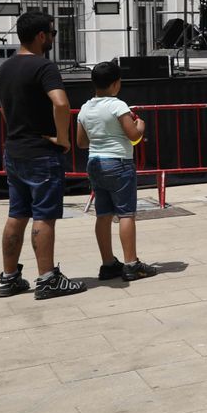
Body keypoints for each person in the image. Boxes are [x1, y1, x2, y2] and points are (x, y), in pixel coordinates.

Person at [0, 12, 83, 299]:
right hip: (41, 153)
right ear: (42, 36)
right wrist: (63, 137)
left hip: (15, 149)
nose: (54, 38)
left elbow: (5, 110)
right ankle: (47, 279)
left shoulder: (5, 68)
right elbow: (61, 103)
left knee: (16, 215)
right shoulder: (44, 67)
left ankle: (9, 278)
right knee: (44, 216)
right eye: (53, 33)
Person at [74, 61, 156, 282]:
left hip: (95, 163)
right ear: (116, 84)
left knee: (103, 214)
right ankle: (131, 264)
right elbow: (134, 136)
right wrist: (141, 125)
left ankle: (108, 263)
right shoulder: (118, 105)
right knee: (126, 213)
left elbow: (81, 142)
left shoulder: (84, 108)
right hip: (118, 162)